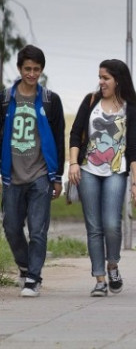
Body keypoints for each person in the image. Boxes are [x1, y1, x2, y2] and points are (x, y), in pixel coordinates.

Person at [68, 59, 136, 297]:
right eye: (100, 77)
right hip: (88, 170)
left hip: (116, 172)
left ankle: (113, 264)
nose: (101, 82)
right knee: (94, 227)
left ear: (118, 80)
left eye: (106, 78)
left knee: (111, 224)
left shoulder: (130, 109)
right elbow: (75, 133)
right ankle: (99, 279)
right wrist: (73, 164)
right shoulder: (91, 102)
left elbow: (133, 148)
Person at [0, 45, 65, 297]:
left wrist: (56, 176)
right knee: (11, 227)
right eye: (27, 69)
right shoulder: (5, 99)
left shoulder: (51, 100)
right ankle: (25, 266)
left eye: (36, 69)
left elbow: (58, 138)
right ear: (19, 69)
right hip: (12, 175)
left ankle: (33, 278)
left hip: (40, 175)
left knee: (38, 229)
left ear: (42, 70)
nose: (32, 74)